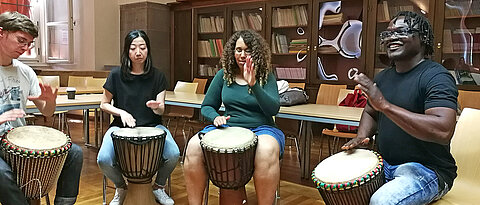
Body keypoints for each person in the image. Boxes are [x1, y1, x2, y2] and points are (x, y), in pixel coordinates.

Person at [342, 11, 457, 205]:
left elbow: (443, 129)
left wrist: (385, 106)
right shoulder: (383, 77)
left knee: (382, 201)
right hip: (384, 164)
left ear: (423, 37)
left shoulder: (437, 77)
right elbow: (371, 111)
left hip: (427, 170)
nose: (391, 37)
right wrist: (362, 136)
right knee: (343, 184)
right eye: (387, 34)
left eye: (401, 31)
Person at [184, 30, 285, 205]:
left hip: (262, 128)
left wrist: (254, 85)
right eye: (238, 50)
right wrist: (216, 117)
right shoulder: (223, 75)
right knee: (193, 146)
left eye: (247, 50)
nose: (242, 55)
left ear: (256, 53)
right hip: (228, 128)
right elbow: (207, 106)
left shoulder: (265, 76)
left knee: (266, 150)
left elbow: (273, 109)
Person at [0, 11, 83, 205]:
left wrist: (50, 101)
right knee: (2, 175)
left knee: (75, 153)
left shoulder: (25, 71)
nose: (25, 48)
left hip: (17, 139)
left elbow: (46, 112)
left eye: (29, 43)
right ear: (1, 33)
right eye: (21, 40)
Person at [97, 29, 179, 205]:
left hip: (154, 126)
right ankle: (121, 187)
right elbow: (103, 104)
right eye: (133, 47)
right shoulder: (116, 75)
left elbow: (161, 110)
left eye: (142, 47)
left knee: (173, 154)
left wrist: (157, 108)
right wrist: (122, 112)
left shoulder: (158, 76)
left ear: (148, 50)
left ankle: (158, 187)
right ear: (127, 50)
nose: (138, 52)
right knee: (103, 159)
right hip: (119, 127)